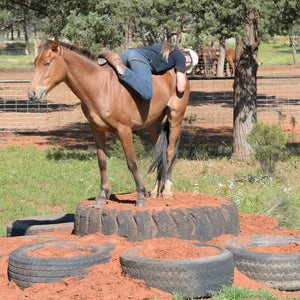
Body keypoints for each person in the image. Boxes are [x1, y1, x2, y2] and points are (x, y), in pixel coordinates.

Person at [98, 44, 198, 101]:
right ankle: (122, 70)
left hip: (126, 54)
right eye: (189, 59)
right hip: (138, 58)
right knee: (147, 92)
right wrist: (183, 72)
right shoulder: (180, 57)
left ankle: (107, 56)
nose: (187, 62)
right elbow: (180, 88)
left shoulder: (168, 50)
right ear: (186, 53)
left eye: (189, 64)